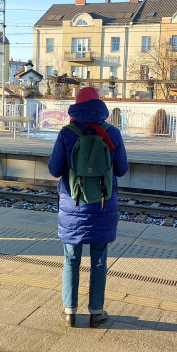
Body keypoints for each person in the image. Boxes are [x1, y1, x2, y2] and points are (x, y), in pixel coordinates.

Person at [48, 87, 129, 328]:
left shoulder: (66, 133)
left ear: (76, 105)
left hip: (73, 204)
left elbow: (54, 170)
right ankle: (96, 311)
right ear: (99, 106)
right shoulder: (112, 133)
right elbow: (122, 170)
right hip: (103, 206)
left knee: (71, 259)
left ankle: (69, 311)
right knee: (99, 260)